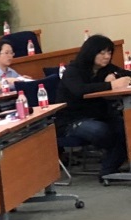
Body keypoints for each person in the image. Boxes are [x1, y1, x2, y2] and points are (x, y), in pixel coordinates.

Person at [56, 33, 131, 178]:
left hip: (101, 115)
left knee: (126, 127)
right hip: (72, 120)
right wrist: (110, 85)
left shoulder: (107, 68)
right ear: (91, 52)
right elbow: (80, 90)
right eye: (102, 53)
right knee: (101, 130)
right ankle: (112, 165)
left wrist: (117, 76)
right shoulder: (73, 70)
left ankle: (108, 171)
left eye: (109, 52)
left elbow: (127, 74)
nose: (107, 56)